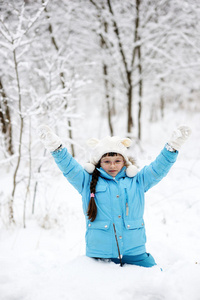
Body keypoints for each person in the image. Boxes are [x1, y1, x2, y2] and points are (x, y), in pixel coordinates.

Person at [38, 125, 191, 267]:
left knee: (157, 285)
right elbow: (69, 167)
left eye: (117, 161)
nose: (112, 165)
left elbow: (158, 168)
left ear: (124, 161)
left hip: (135, 253)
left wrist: (172, 147)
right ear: (99, 162)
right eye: (107, 161)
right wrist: (56, 147)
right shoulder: (86, 181)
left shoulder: (138, 180)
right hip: (99, 256)